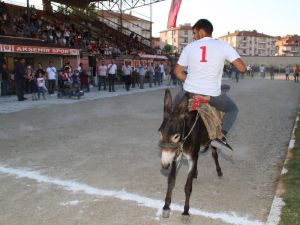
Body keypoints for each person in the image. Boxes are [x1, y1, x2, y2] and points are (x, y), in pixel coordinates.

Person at [174, 19, 246, 154]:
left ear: (201, 31)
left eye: (195, 33)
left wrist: (190, 79)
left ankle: (172, 131)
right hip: (211, 94)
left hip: (189, 92)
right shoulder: (224, 46)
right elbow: (241, 68)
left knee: (173, 106)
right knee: (232, 110)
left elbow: (177, 72)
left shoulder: (189, 47)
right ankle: (221, 137)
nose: (194, 37)